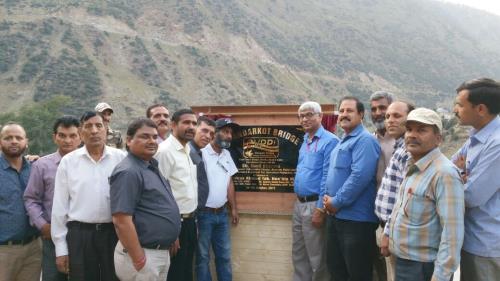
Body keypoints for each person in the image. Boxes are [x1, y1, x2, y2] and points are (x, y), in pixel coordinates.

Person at [385, 108, 464, 281]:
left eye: (421, 130)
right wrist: (387, 235)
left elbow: (452, 233)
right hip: (405, 262)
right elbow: (400, 208)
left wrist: (441, 276)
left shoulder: (444, 173)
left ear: (438, 139)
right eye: (409, 129)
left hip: (423, 267)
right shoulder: (413, 165)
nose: (412, 135)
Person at [51, 111, 127, 281]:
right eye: (88, 126)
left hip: (113, 234)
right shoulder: (69, 162)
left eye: (99, 126)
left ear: (106, 129)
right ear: (81, 132)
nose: (94, 131)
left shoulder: (121, 159)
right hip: (80, 235)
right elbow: (59, 208)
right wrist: (61, 249)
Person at [110, 118, 181, 281]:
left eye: (155, 137)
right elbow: (121, 220)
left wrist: (172, 233)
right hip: (143, 255)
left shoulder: (150, 166)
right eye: (145, 136)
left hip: (159, 253)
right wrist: (138, 258)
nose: (151, 141)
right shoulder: (128, 171)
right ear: (129, 140)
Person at [323, 96, 381, 281]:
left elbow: (360, 177)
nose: (344, 114)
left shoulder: (364, 141)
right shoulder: (342, 141)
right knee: (336, 270)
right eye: (341, 111)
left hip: (356, 222)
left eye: (349, 111)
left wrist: (337, 201)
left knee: (358, 274)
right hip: (336, 217)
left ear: (361, 114)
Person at [451, 78, 500, 281]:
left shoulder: (496, 144)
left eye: (460, 105)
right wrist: (462, 176)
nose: (455, 110)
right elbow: (449, 170)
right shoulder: (476, 137)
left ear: (480, 109)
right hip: (472, 238)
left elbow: (471, 196)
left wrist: (460, 178)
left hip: (486, 243)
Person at [23, 116, 81, 281]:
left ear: (81, 137)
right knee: (53, 277)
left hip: (83, 235)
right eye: (62, 135)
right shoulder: (42, 165)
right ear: (54, 137)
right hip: (52, 237)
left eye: (72, 135)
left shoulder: (89, 164)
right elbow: (31, 199)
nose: (67, 140)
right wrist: (43, 226)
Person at [292, 101, 338, 281]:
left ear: (320, 116)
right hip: (299, 204)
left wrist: (320, 209)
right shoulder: (305, 141)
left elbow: (328, 177)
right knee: (298, 253)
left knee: (317, 256)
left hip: (314, 206)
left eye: (309, 114)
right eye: (301, 116)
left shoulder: (330, 141)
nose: (305, 119)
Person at [155, 108, 198, 281]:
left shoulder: (188, 150)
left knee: (186, 271)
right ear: (173, 125)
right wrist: (171, 232)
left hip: (189, 222)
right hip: (175, 224)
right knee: (175, 273)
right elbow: (159, 195)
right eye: (186, 123)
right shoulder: (164, 152)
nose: (191, 127)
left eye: (194, 123)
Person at [374, 101, 415, 280]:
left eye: (397, 116)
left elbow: (405, 198)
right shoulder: (399, 147)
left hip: (396, 230)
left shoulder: (409, 152)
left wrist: (388, 232)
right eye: (388, 116)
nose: (389, 120)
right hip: (385, 226)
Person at [196, 118, 240, 281]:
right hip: (203, 215)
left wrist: (233, 208)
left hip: (221, 215)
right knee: (202, 258)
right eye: (225, 131)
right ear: (215, 132)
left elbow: (229, 182)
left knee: (224, 257)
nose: (229, 136)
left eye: (231, 133)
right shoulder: (201, 153)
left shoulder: (227, 154)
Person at [0, 122, 41, 281]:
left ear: (26, 141)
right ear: (0, 142)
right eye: (8, 138)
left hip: (33, 249)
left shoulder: (35, 168)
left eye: (18, 137)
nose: (14, 141)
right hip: (4, 250)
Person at [370, 91, 395, 281]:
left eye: (382, 108)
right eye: (373, 109)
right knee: (378, 268)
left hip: (396, 216)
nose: (378, 113)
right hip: (374, 215)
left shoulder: (401, 141)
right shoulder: (370, 140)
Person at [189, 116, 216, 210]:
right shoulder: (188, 152)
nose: (208, 136)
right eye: (204, 130)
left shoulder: (198, 152)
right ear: (194, 129)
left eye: (212, 133)